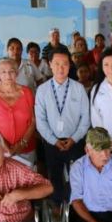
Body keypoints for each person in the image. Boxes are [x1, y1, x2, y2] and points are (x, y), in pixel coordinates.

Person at [35, 48, 90, 205]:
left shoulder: (78, 88)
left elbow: (86, 118)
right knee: (55, 176)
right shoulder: (42, 90)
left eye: (65, 63)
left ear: (70, 65)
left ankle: (77, 205)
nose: (61, 68)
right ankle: (58, 205)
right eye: (57, 63)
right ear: (50, 64)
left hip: (75, 141)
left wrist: (74, 138)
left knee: (78, 175)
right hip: (52, 142)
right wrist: (53, 140)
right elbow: (40, 121)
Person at [0, 58, 36, 165]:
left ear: (17, 73)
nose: (8, 75)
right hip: (1, 148)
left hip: (26, 147)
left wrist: (22, 143)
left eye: (11, 71)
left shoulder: (27, 92)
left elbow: (33, 121)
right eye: (3, 72)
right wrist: (4, 145)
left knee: (28, 174)